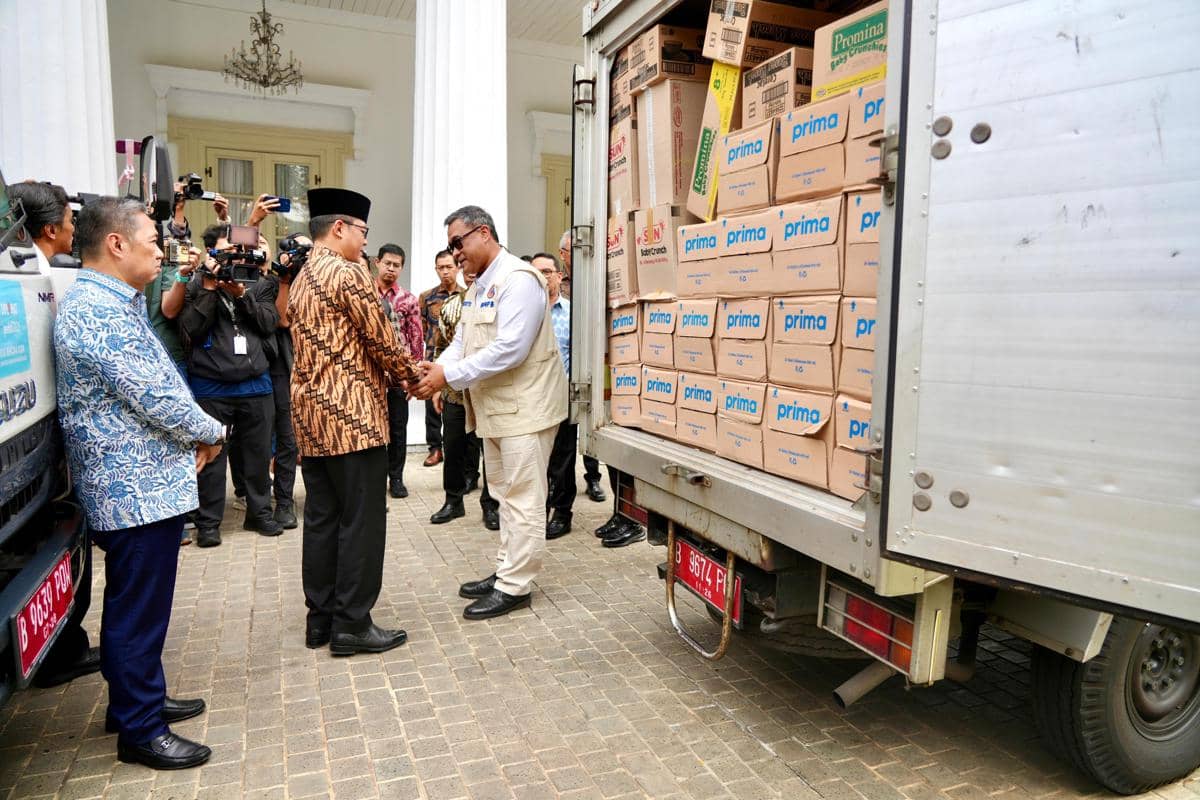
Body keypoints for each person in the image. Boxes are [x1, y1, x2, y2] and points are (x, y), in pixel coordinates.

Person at [54, 196, 224, 769]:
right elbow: (154, 395)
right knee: (137, 612)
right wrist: (211, 431)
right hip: (133, 490)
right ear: (116, 244)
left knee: (138, 605)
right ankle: (141, 729)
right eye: (153, 240)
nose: (161, 250)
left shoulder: (111, 301)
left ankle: (136, 701)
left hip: (140, 486)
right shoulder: (98, 311)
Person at [411, 205, 567, 620]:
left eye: (457, 243)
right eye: (450, 247)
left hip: (526, 410)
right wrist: (437, 369)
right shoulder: (480, 285)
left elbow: (510, 349)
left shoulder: (519, 279)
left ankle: (516, 586)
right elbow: (462, 341)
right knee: (503, 495)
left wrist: (448, 376)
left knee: (523, 498)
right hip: (497, 410)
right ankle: (506, 571)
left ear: (483, 233)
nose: (455, 253)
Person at [288, 187, 416, 655]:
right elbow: (382, 339)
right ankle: (352, 625)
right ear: (339, 228)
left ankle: (320, 619)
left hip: (312, 417)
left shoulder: (302, 275)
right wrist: (413, 377)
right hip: (353, 416)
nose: (366, 241)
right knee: (362, 521)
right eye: (363, 231)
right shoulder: (348, 272)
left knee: (322, 518)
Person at [5, 181, 100, 688]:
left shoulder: (43, 275)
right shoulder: (38, 277)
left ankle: (64, 647)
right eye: (68, 220)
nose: (73, 228)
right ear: (46, 229)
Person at [177, 224, 282, 546]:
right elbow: (193, 329)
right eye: (223, 253)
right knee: (212, 458)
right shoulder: (197, 282)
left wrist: (242, 295)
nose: (230, 260)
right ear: (211, 254)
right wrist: (210, 288)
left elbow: (268, 323)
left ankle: (260, 514)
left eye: (234, 252)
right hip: (211, 385)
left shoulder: (259, 282)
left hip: (256, 384)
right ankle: (209, 523)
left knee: (257, 455)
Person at [428, 260, 498, 528]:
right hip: (454, 391)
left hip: (487, 388)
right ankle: (453, 501)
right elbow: (441, 346)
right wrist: (437, 385)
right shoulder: (451, 305)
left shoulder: (497, 299)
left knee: (490, 449)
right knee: (453, 446)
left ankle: (491, 504)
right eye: (466, 269)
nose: (470, 273)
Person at [556, 229, 605, 502]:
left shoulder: (593, 277)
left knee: (589, 424)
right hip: (565, 363)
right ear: (563, 254)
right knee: (564, 433)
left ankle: (593, 478)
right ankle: (562, 486)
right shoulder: (558, 282)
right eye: (570, 251)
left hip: (589, 359)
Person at [376, 243, 423, 499]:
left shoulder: (408, 300)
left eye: (396, 265)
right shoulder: (364, 293)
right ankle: (374, 478)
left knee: (397, 429)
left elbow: (415, 339)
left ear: (402, 268)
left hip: (398, 380)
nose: (391, 269)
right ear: (377, 263)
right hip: (371, 376)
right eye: (387, 263)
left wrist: (413, 377)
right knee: (373, 430)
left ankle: (396, 478)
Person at [418, 251, 461, 467]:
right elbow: (422, 329)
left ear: (457, 268)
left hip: (458, 361)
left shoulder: (466, 296)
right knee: (431, 409)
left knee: (455, 408)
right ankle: (435, 449)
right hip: (432, 360)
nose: (445, 271)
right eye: (440, 267)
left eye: (449, 267)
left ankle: (456, 449)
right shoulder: (426, 297)